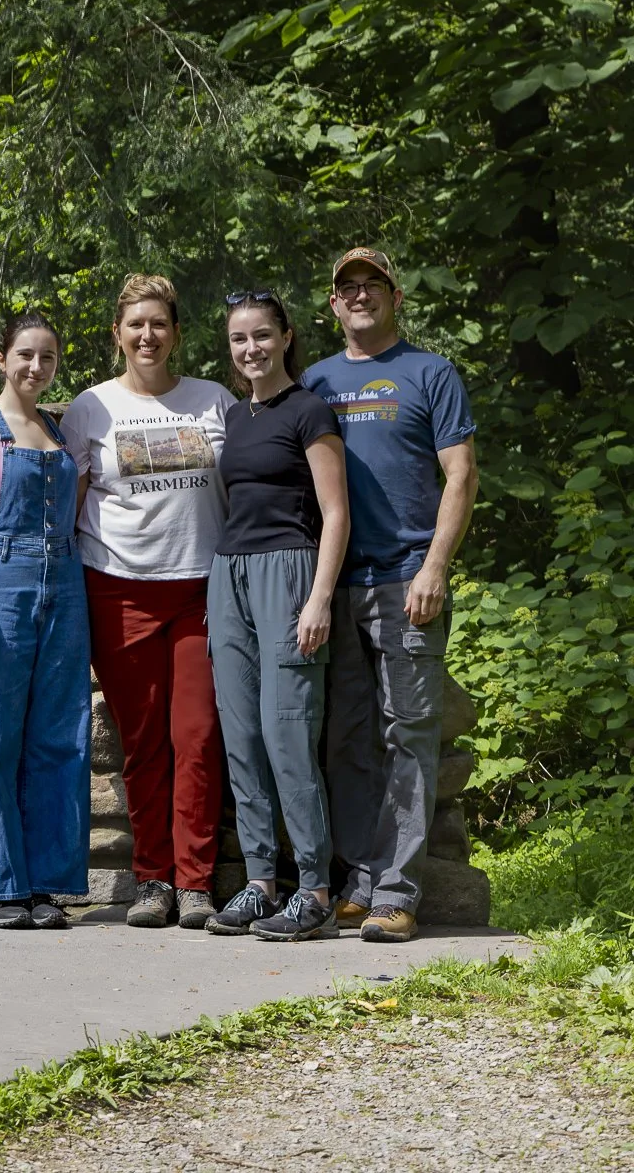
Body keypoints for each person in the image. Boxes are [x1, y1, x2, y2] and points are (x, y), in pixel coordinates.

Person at [304, 246, 477, 944]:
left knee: (408, 734)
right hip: (337, 583)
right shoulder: (314, 381)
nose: (361, 294)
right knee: (346, 740)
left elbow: (460, 476)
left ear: (395, 296)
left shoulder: (430, 373)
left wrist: (436, 565)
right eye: (348, 286)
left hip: (407, 577)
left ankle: (399, 893)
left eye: (373, 283)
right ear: (334, 303)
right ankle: (364, 881)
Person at [63, 274, 234, 930]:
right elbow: (72, 502)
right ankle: (153, 881)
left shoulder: (212, 401)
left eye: (159, 323)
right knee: (143, 745)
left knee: (197, 737)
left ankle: (195, 884)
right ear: (118, 334)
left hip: (199, 590)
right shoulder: (91, 408)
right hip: (117, 586)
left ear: (176, 332)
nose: (147, 335)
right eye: (136, 324)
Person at [202, 293, 349, 941]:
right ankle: (262, 883)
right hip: (228, 573)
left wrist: (318, 597)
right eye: (239, 340)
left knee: (288, 733)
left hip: (289, 571)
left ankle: (314, 888)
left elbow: (336, 512)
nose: (250, 349)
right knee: (243, 735)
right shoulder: (233, 416)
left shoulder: (309, 409)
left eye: (262, 335)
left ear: (286, 337)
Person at [0, 312, 91, 929]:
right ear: (1, 358)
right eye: (25, 355)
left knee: (60, 737)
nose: (36, 367)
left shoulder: (58, 431)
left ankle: (46, 884)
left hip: (64, 583)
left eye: (48, 358)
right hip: (0, 586)